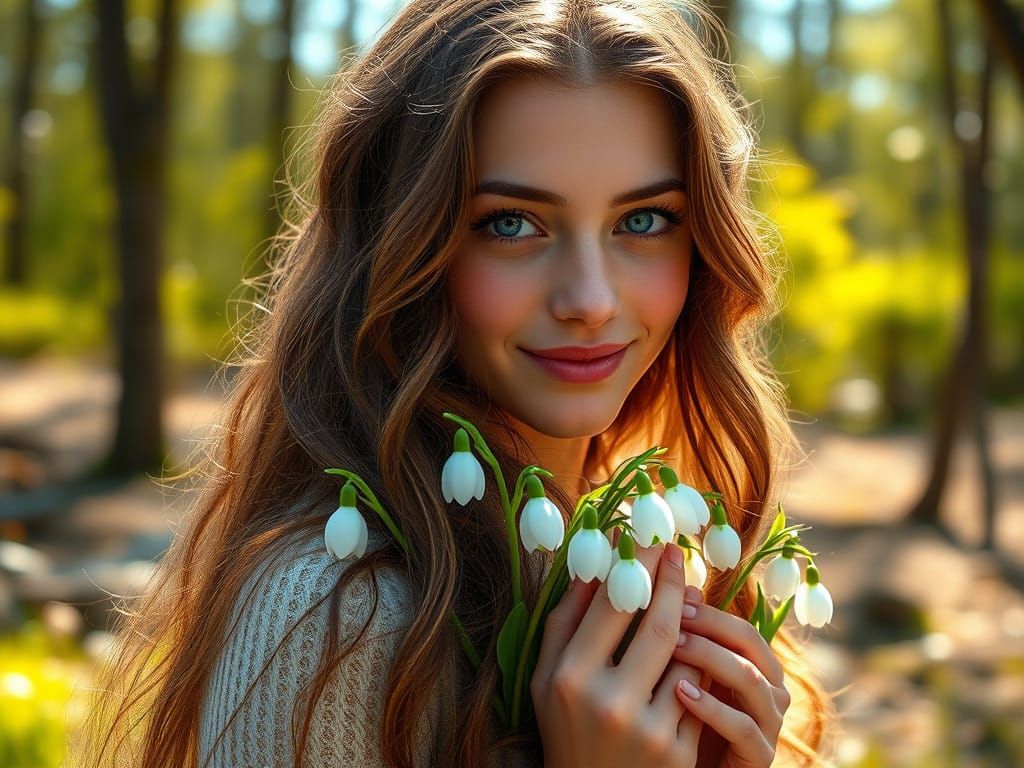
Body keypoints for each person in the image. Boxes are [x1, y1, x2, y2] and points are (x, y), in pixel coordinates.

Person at [72, 0, 835, 766]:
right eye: (511, 223)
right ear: (401, 245)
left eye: (643, 221)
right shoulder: (334, 613)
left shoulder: (653, 556)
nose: (592, 300)